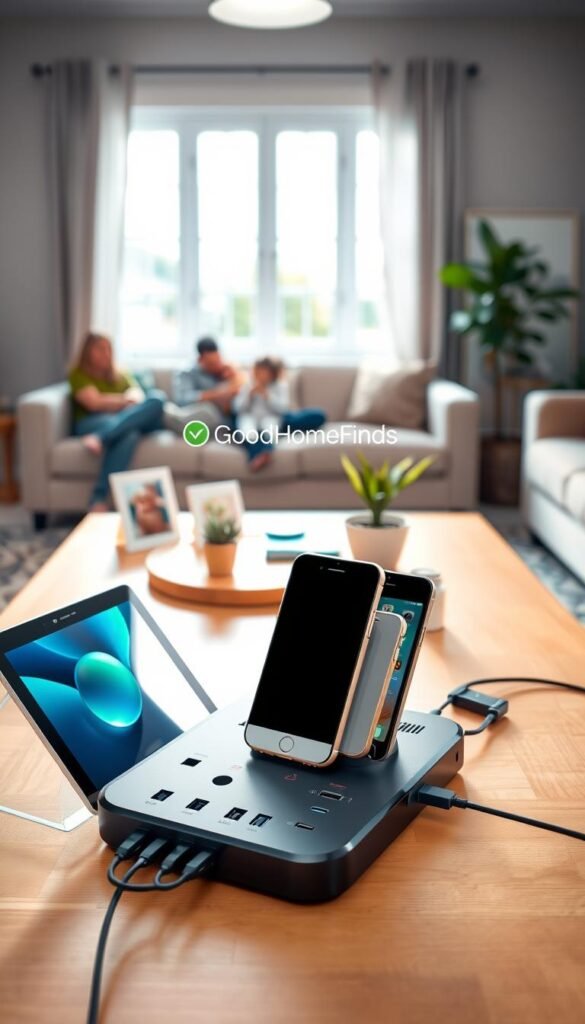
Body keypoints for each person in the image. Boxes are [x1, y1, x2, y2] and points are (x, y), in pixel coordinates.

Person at [69, 332, 165, 511]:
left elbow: (138, 396)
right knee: (130, 432)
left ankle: (101, 437)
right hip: (91, 422)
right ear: (88, 352)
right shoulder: (79, 374)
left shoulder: (120, 373)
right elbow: (94, 403)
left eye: (109, 349)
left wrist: (122, 402)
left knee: (157, 400)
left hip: (120, 421)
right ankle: (98, 497)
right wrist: (124, 401)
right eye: (100, 349)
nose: (106, 353)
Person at [234, 357, 327, 472]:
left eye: (265, 373)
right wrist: (249, 396)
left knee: (317, 415)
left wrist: (267, 396)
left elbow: (283, 410)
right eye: (259, 372)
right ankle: (260, 455)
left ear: (273, 374)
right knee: (252, 435)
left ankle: (266, 447)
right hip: (252, 423)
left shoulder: (279, 387)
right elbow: (238, 409)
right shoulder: (248, 387)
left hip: (275, 421)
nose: (262, 376)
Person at [165, 337, 244, 434]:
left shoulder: (225, 370)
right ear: (200, 360)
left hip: (228, 415)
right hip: (198, 412)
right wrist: (217, 394)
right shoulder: (186, 372)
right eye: (211, 363)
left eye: (218, 361)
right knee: (207, 410)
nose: (216, 366)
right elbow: (182, 399)